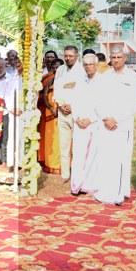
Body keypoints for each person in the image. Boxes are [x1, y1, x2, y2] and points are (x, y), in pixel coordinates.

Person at [70, 53, 122, 204]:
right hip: (80, 122)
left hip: (95, 123)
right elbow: (75, 101)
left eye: (91, 65)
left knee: (93, 155)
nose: (88, 68)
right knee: (79, 154)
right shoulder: (80, 81)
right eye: (85, 65)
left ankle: (90, 185)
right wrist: (78, 118)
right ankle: (76, 185)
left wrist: (91, 119)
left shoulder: (103, 81)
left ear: (97, 65)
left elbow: (103, 104)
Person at [104, 46, 136, 199]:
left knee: (122, 159)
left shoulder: (132, 76)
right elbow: (101, 100)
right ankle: (108, 190)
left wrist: (116, 119)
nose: (116, 60)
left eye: (119, 57)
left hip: (122, 124)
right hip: (107, 125)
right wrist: (107, 119)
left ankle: (120, 193)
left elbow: (134, 103)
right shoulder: (106, 76)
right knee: (108, 158)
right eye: (113, 57)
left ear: (125, 58)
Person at [53, 45, 85, 182]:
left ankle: (78, 175)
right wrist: (60, 105)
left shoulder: (83, 70)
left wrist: (73, 106)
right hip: (62, 112)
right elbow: (56, 89)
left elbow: (84, 92)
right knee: (64, 145)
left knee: (78, 146)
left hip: (77, 112)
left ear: (77, 56)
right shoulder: (60, 70)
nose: (68, 58)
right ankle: (65, 174)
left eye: (71, 56)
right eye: (66, 55)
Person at [41, 58, 64, 173]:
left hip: (63, 114)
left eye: (58, 67)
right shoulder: (50, 81)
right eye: (54, 67)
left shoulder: (67, 82)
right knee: (51, 141)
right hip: (50, 115)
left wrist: (59, 109)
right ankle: (51, 165)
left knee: (62, 141)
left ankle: (62, 166)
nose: (55, 70)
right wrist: (51, 108)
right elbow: (45, 96)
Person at [37, 50, 58, 168]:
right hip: (42, 106)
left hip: (56, 107)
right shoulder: (42, 73)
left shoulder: (60, 73)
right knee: (43, 134)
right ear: (44, 59)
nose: (50, 59)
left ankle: (55, 160)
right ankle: (43, 158)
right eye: (48, 57)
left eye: (52, 57)